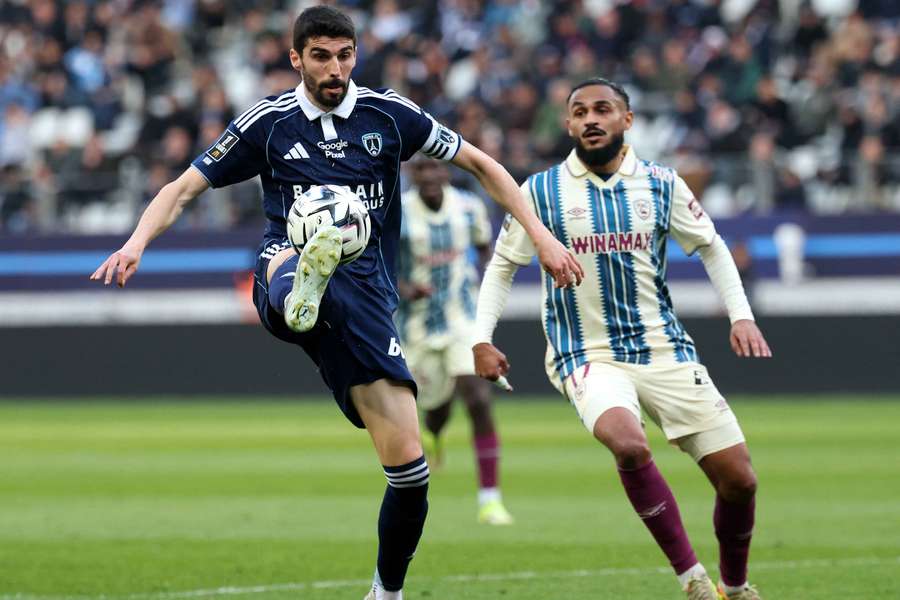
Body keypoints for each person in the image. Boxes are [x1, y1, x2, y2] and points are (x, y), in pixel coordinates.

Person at [89, 7, 583, 600]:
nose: (335, 68)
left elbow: (480, 164)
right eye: (321, 56)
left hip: (370, 296)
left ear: (356, 55)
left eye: (344, 55)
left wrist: (543, 236)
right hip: (286, 264)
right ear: (296, 58)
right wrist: (136, 242)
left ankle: (386, 592)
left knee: (411, 471)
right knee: (294, 264)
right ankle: (299, 291)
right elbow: (184, 187)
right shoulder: (268, 123)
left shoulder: (388, 115)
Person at [472, 78, 771, 600]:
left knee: (740, 480)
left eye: (603, 109)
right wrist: (481, 338)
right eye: (580, 111)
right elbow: (501, 267)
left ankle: (737, 586)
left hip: (663, 349)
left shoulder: (662, 184)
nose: (591, 119)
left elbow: (712, 246)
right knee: (628, 444)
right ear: (567, 124)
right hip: (584, 352)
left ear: (626, 120)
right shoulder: (540, 192)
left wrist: (740, 315)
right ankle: (692, 580)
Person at [396, 157, 513, 526]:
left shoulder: (468, 207)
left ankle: (490, 500)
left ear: (447, 171)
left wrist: (479, 279)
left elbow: (484, 248)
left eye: (436, 168)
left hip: (463, 320)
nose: (430, 176)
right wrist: (404, 288)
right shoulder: (397, 212)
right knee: (437, 406)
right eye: (421, 170)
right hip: (417, 327)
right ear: (411, 174)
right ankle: (434, 433)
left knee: (478, 399)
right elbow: (378, 262)